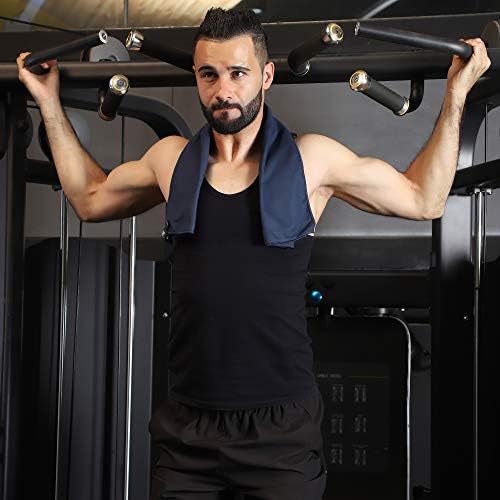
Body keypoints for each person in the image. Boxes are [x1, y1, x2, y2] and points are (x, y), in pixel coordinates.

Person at [17, 7, 490, 500]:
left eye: (238, 73)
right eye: (209, 74)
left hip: (279, 434)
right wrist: (48, 102)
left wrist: (455, 96)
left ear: (266, 76)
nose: (223, 90)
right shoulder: (171, 159)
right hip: (188, 428)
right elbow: (90, 199)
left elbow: (423, 198)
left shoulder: (311, 159)